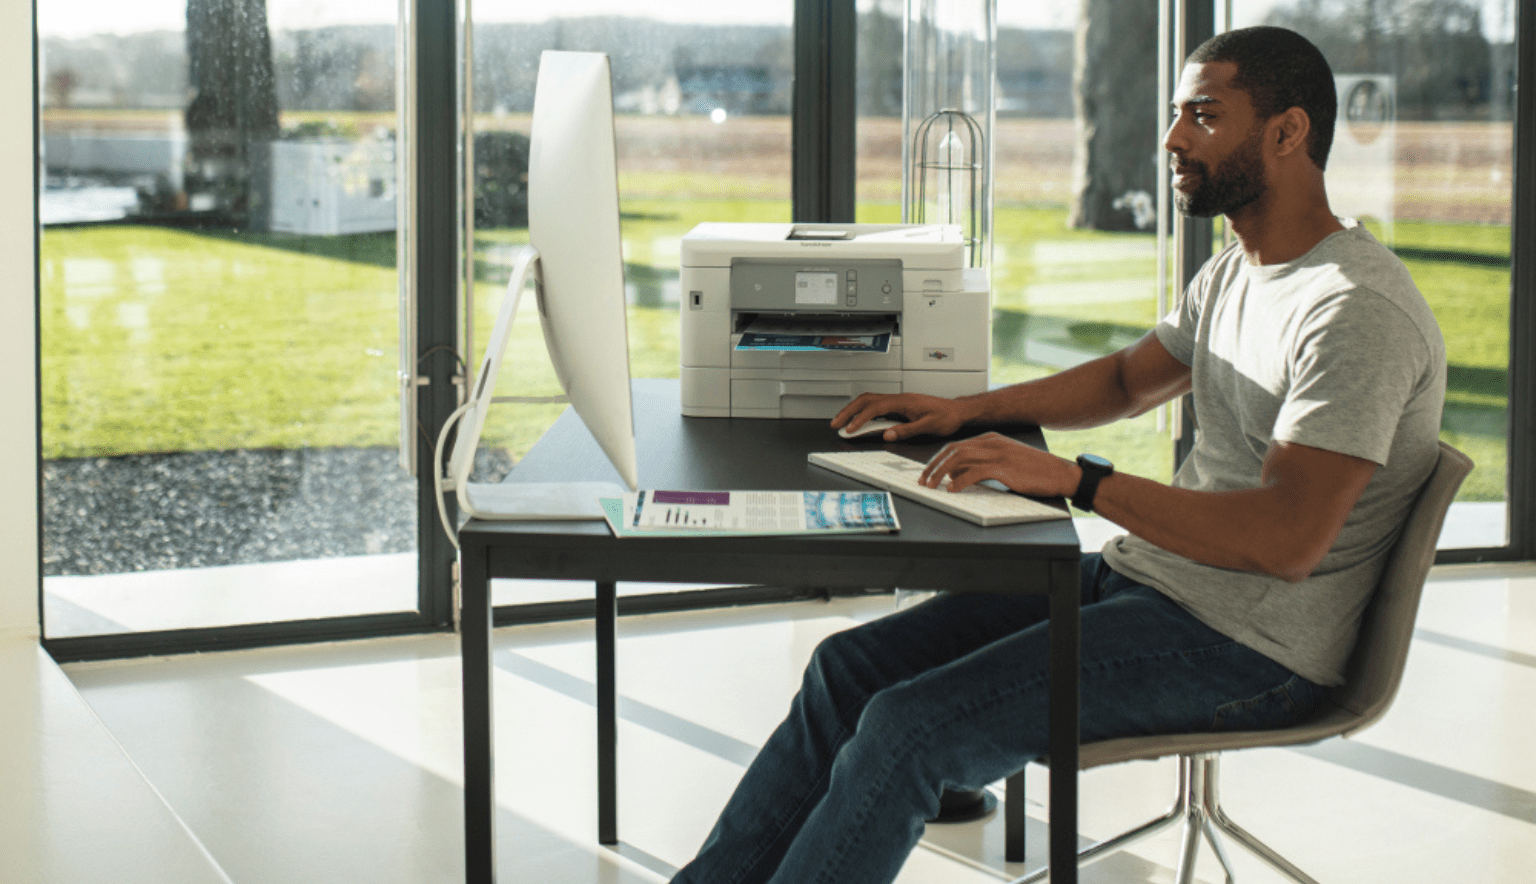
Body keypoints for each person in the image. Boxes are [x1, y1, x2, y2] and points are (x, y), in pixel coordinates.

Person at [670, 25, 1445, 884]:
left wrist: (1081, 482)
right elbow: (1124, 380)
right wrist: (964, 410)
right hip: (1155, 582)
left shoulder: (1354, 310)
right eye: (1177, 114)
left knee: (911, 729)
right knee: (849, 669)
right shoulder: (1238, 270)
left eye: (1203, 115)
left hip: (1252, 646)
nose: (1173, 139)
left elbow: (1286, 539)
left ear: (1288, 132)